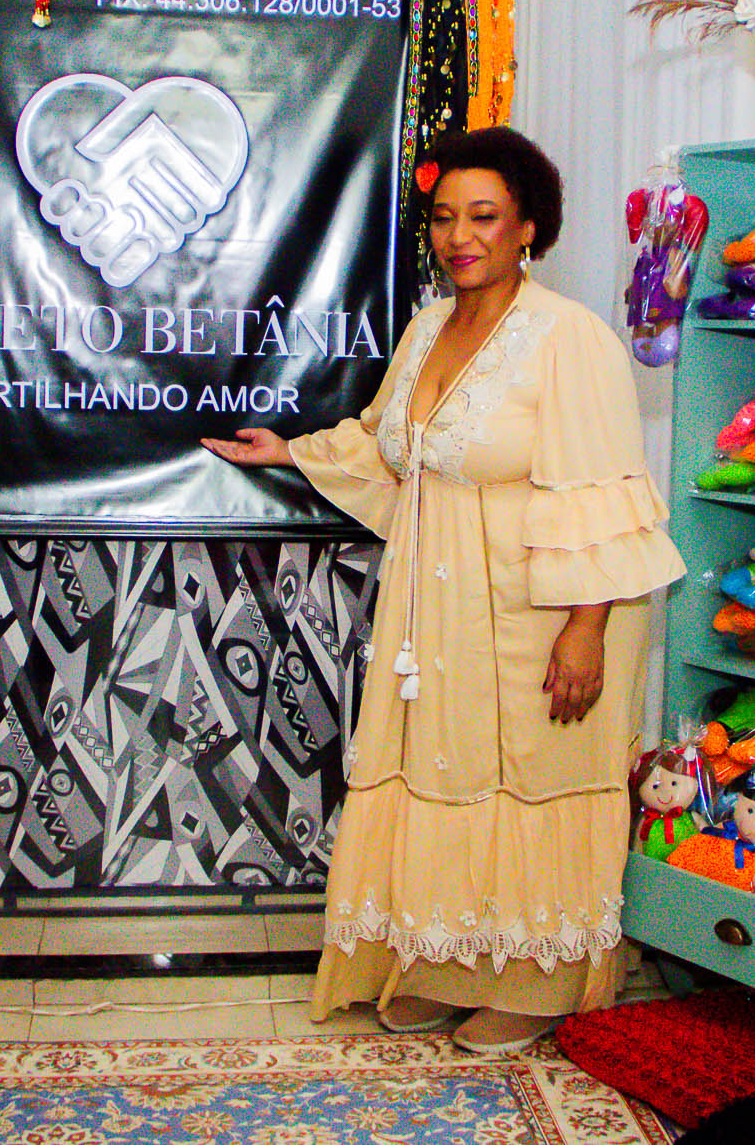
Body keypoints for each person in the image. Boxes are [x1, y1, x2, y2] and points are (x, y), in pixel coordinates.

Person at [201, 126, 684, 1052]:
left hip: (543, 606)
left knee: (532, 777)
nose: (460, 236)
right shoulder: (428, 328)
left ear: (528, 228)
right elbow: (392, 446)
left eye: (484, 216)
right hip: (440, 604)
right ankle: (447, 961)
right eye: (444, 217)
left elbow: (604, 498)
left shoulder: (570, 338)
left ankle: (536, 980)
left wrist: (586, 628)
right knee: (447, 772)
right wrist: (291, 451)